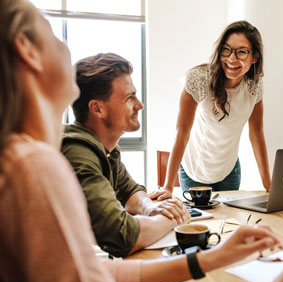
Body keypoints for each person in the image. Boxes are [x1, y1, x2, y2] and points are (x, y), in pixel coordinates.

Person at [0, 1, 283, 282]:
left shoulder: (84, 152)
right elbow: (109, 257)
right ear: (27, 49)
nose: (140, 105)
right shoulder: (36, 164)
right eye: (52, 34)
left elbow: (88, 271)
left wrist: (213, 257)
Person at [61, 53, 189, 258]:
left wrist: (150, 209)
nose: (140, 105)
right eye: (129, 98)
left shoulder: (105, 148)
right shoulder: (78, 153)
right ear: (97, 108)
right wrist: (174, 219)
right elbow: (121, 236)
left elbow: (129, 191)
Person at [150, 21, 271, 202]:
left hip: (229, 170)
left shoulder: (254, 85)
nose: (232, 58)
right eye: (227, 49)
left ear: (254, 57)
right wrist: (168, 186)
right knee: (201, 223)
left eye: (242, 52)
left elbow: (256, 133)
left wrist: (268, 184)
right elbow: (182, 132)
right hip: (195, 171)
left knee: (229, 223)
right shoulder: (199, 79)